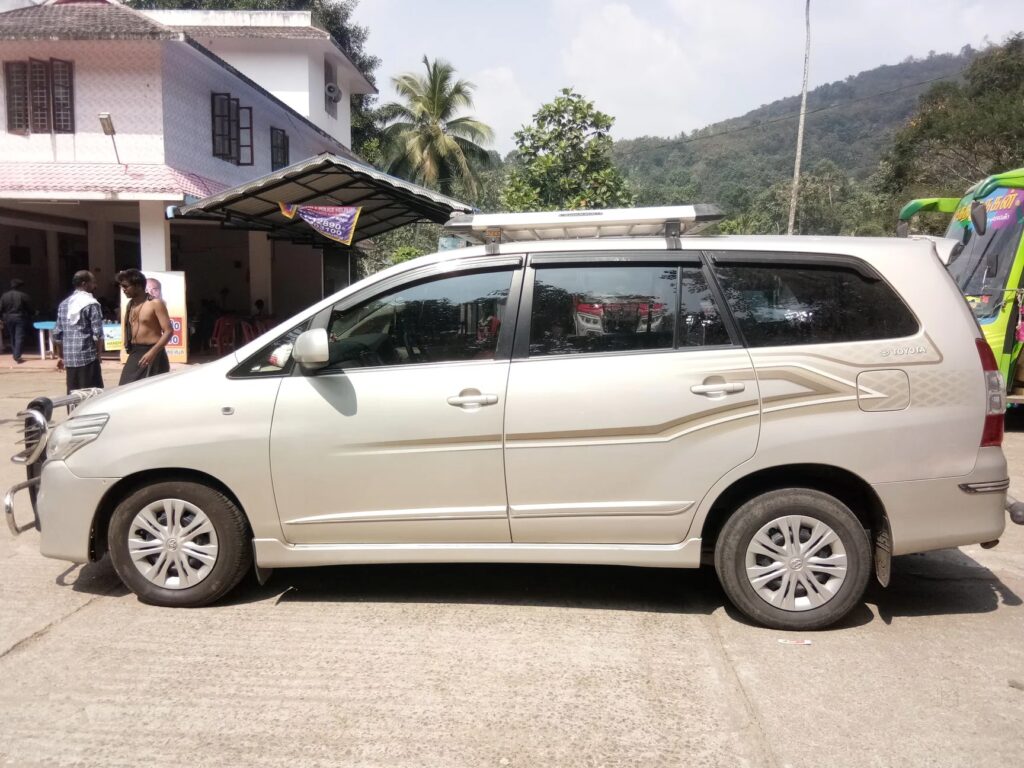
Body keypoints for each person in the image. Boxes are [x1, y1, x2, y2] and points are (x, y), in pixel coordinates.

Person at [117, 268, 172, 384]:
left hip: (154, 353)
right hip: (136, 352)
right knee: (125, 387)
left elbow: (168, 331)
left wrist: (152, 352)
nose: (123, 290)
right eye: (122, 286)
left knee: (152, 390)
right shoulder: (131, 304)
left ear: (138, 286)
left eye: (126, 286)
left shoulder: (155, 303)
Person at [53, 271, 104, 392]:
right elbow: (98, 334)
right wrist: (99, 354)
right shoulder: (92, 304)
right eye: (93, 282)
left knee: (73, 394)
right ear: (84, 284)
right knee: (91, 393)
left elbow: (57, 334)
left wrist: (61, 356)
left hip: (70, 358)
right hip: (88, 356)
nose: (95, 285)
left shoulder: (64, 304)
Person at [0, 278, 34, 364]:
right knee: (19, 336)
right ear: (20, 287)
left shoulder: (4, 296)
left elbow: (1, 308)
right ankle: (17, 356)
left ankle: (15, 353)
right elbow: (29, 309)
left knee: (12, 336)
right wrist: (33, 313)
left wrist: (2, 318)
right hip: (20, 318)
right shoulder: (23, 296)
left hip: (8, 318)